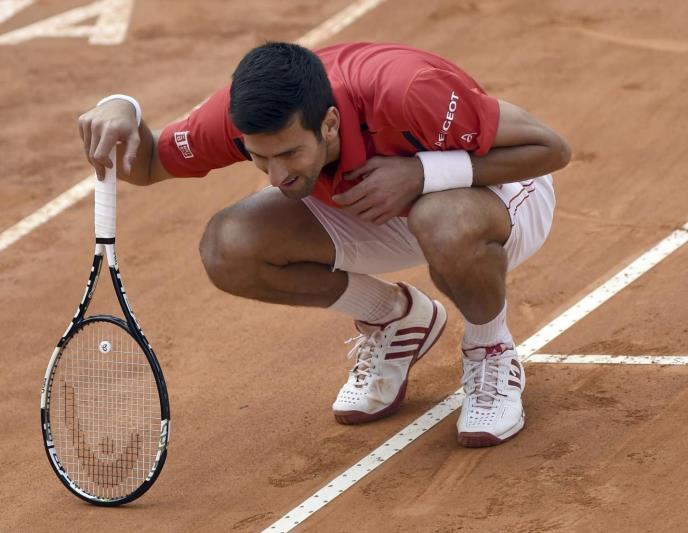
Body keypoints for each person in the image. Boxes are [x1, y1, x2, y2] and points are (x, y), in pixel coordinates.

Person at [79, 42, 570, 447]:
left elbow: (549, 147)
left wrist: (422, 173)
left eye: (290, 153)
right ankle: (394, 317)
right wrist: (122, 106)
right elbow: (147, 163)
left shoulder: (408, 91)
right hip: (374, 205)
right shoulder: (238, 116)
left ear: (330, 124)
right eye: (259, 157)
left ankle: (490, 349)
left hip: (495, 201)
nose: (276, 175)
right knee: (229, 246)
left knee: (441, 220)